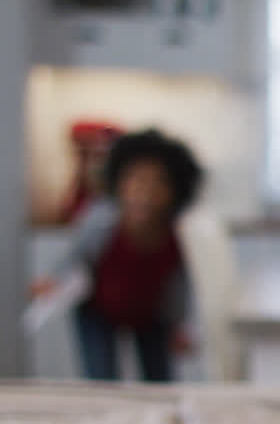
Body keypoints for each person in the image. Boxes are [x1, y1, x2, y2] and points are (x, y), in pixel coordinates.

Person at [33, 129, 203, 382]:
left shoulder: (178, 234)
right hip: (97, 311)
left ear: (175, 191)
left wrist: (181, 326)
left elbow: (179, 285)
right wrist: (53, 282)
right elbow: (74, 257)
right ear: (119, 182)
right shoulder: (101, 220)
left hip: (150, 314)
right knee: (101, 378)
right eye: (137, 181)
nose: (146, 193)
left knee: (160, 381)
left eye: (159, 183)